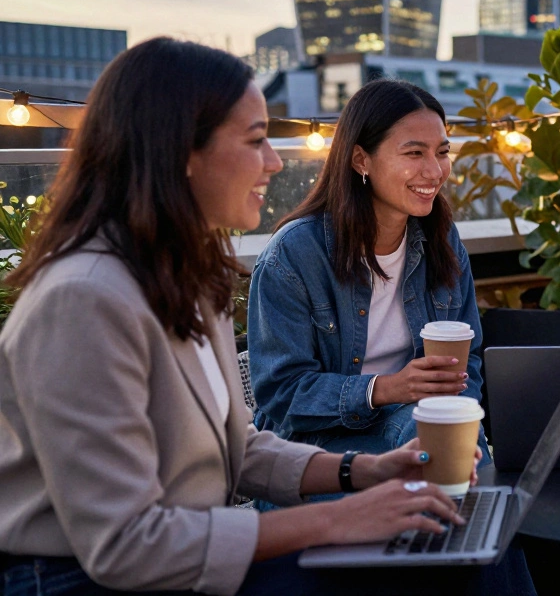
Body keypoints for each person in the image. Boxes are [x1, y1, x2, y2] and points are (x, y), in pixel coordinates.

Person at [0, 38, 532, 595]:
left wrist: (365, 471)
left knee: (469, 545)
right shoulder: (82, 301)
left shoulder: (185, 279)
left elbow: (240, 447)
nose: (277, 161)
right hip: (74, 579)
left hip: (189, 552)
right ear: (180, 151)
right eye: (256, 140)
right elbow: (128, 547)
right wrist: (338, 518)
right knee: (430, 560)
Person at [248, 79, 490, 465]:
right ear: (361, 160)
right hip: (311, 451)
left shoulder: (441, 240)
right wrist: (386, 388)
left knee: (449, 438)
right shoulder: (295, 254)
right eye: (414, 152)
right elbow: (282, 394)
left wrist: (456, 414)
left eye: (442, 152)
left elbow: (469, 359)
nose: (434, 170)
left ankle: (475, 516)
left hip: (410, 428)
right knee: (432, 449)